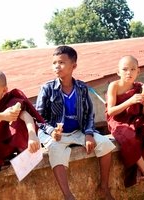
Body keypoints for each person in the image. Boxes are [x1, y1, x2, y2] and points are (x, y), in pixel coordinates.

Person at [36, 45, 116, 200]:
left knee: (105, 144)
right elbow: (38, 118)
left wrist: (88, 134)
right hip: (55, 135)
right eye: (54, 63)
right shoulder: (47, 88)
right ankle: (68, 196)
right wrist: (52, 130)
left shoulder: (82, 88)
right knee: (54, 149)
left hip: (77, 131)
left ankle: (104, 187)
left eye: (61, 62)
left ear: (74, 66)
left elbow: (89, 114)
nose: (57, 66)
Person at [105, 55, 144, 191]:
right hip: (119, 120)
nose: (129, 72)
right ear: (118, 72)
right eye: (125, 69)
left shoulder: (139, 87)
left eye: (133, 69)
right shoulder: (114, 86)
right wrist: (130, 101)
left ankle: (139, 170)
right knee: (129, 137)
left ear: (138, 72)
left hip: (136, 119)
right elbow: (111, 111)